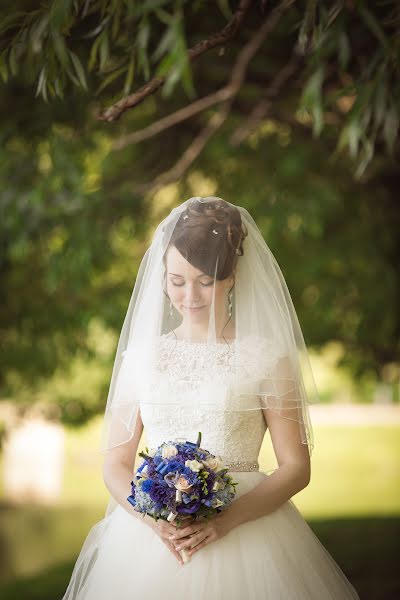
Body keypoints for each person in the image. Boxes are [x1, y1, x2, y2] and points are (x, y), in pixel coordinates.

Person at [62, 196, 360, 599]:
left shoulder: (265, 357)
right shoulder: (143, 357)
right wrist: (153, 522)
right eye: (177, 280)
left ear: (232, 275)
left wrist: (224, 522)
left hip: (249, 534)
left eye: (205, 280)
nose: (189, 295)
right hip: (149, 543)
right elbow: (116, 463)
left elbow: (296, 467)